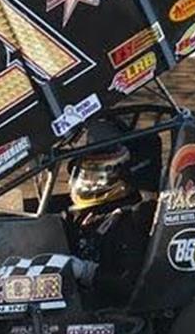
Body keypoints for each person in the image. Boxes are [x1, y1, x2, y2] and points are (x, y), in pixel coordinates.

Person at [66, 122, 156, 305]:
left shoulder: (130, 219)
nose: (87, 182)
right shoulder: (84, 215)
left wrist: (85, 271)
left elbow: (130, 285)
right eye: (84, 174)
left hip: (107, 312)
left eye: (94, 176)